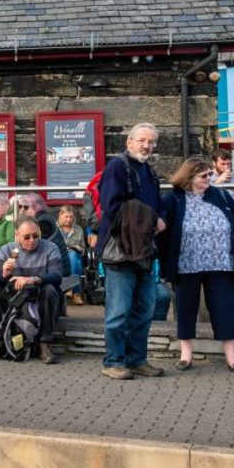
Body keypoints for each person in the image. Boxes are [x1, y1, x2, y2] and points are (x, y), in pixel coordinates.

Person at [158, 156, 234, 373]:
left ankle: (232, 357)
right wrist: (167, 258)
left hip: (221, 264)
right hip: (186, 264)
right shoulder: (174, 199)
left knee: (225, 309)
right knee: (185, 308)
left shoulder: (221, 196)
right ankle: (186, 355)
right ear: (189, 176)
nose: (209, 178)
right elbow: (162, 234)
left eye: (210, 174)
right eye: (204, 175)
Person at [96, 122, 166, 380]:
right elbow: (111, 207)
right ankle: (113, 361)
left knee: (144, 310)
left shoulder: (149, 171)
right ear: (129, 141)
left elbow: (159, 205)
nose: (146, 145)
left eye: (151, 142)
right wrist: (151, 219)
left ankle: (136, 359)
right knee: (118, 311)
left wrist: (162, 218)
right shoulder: (117, 166)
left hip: (144, 250)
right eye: (142, 140)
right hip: (121, 250)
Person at [0, 216, 63, 364]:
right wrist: (4, 273)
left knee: (50, 289)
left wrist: (33, 279)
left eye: (36, 235)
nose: (32, 240)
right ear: (16, 235)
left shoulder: (50, 248)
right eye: (27, 237)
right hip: (16, 298)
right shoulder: (7, 250)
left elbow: (57, 276)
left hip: (39, 295)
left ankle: (44, 343)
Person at [16, 193, 72, 292]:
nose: (22, 210)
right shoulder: (42, 219)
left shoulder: (43, 222)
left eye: (26, 207)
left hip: (58, 268)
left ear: (36, 207)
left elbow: (38, 249)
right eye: (20, 207)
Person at [56, 205, 87, 305]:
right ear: (60, 216)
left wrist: (76, 248)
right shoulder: (54, 228)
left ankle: (69, 288)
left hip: (74, 255)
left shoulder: (78, 230)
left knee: (73, 256)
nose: (69, 220)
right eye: (66, 217)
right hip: (57, 257)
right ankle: (76, 293)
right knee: (74, 260)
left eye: (71, 217)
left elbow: (83, 248)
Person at [211, 148, 234, 214]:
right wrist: (219, 181)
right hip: (217, 214)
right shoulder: (207, 176)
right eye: (223, 164)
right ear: (214, 163)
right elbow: (206, 195)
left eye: (228, 164)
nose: (226, 167)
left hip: (233, 213)